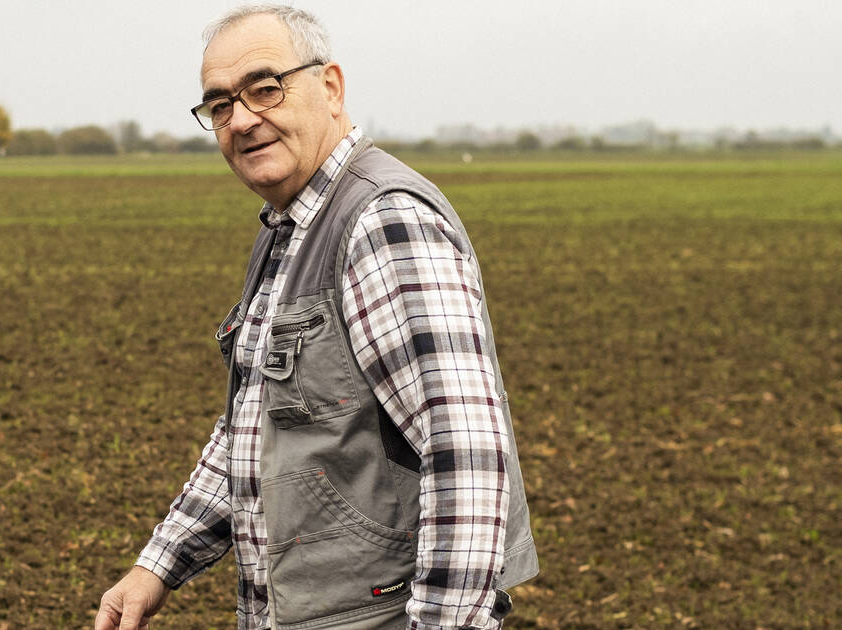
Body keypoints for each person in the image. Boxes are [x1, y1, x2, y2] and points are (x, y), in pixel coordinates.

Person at [95, 5, 537, 629]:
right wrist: (159, 564)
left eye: (265, 88)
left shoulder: (382, 224)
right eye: (219, 105)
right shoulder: (291, 227)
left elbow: (464, 450)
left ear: (330, 87)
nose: (242, 119)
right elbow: (260, 421)